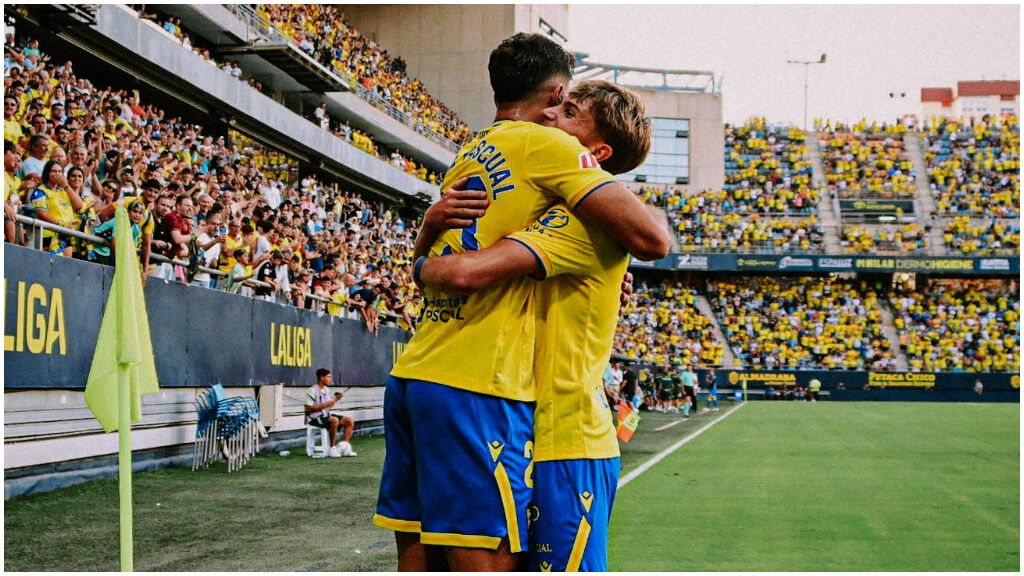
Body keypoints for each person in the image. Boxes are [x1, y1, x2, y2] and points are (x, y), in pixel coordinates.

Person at [375, 34, 669, 573]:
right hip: (482, 386)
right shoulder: (551, 166)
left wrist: (421, 249)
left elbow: (650, 239)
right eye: (563, 103)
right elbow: (652, 237)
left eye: (572, 110)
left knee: (423, 553)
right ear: (552, 91)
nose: (558, 115)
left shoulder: (475, 151)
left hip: (431, 376)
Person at [304, 368, 356, 458]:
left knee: (349, 421)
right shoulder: (312, 390)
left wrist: (335, 399)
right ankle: (332, 448)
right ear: (321, 378)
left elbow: (327, 407)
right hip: (314, 418)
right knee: (334, 420)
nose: (330, 379)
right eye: (328, 377)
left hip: (325, 416)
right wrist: (324, 405)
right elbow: (307, 409)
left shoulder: (327, 390)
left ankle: (344, 448)